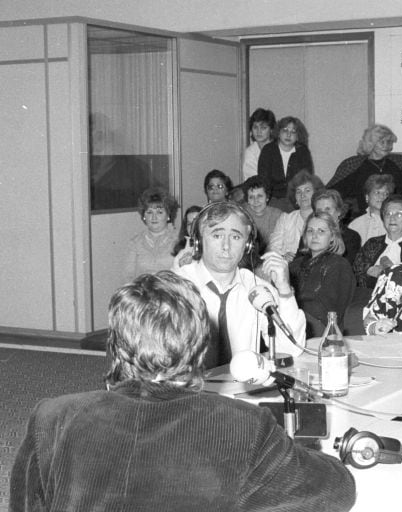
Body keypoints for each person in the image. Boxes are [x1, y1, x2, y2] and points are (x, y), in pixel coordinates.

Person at [10, 271, 354, 511]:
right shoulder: (244, 425)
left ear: (114, 346)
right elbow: (337, 491)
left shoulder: (52, 416)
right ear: (201, 347)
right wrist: (307, 446)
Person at [174, 201, 306, 369]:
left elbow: (291, 349)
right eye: (217, 235)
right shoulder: (177, 287)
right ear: (199, 241)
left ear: (248, 245)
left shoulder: (257, 288)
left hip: (243, 389)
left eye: (236, 237)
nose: (226, 246)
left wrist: (284, 290)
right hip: (190, 390)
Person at [327, 124, 402, 228]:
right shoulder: (354, 166)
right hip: (363, 221)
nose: (386, 146)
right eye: (382, 142)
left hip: (395, 220)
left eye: (389, 142)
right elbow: (335, 192)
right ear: (370, 144)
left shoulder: (399, 164)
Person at [290, 212, 356, 337]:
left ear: (332, 237)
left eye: (321, 231)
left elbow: (331, 310)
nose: (314, 236)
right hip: (291, 321)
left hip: (321, 329)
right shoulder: (294, 265)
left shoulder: (339, 265)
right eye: (310, 231)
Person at [352, 195, 402, 289]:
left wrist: (384, 272)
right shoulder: (372, 243)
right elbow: (356, 275)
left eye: (399, 214)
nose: (392, 218)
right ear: (383, 219)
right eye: (388, 214)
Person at [258, 116, 314, 212]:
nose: (288, 135)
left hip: (296, 200)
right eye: (285, 130)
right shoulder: (268, 150)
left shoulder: (303, 152)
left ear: (298, 136)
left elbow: (306, 180)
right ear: (278, 133)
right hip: (273, 200)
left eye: (293, 131)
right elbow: (263, 180)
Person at [124, 187, 179, 281]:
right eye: (149, 212)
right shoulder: (135, 243)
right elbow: (128, 277)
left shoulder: (179, 239)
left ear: (168, 215)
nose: (154, 217)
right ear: (144, 216)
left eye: (159, 212)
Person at [268, 170, 325, 262]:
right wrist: (282, 256)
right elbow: (273, 246)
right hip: (288, 267)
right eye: (298, 192)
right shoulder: (285, 219)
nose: (303, 195)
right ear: (294, 197)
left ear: (316, 194)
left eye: (307, 190)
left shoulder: (323, 219)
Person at [309, 188, 361, 265]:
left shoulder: (351, 237)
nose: (324, 214)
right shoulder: (309, 235)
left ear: (339, 211)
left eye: (327, 209)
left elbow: (345, 268)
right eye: (319, 211)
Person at [348, 173, 394, 244]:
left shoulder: (396, 223)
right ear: (367, 197)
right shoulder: (355, 225)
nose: (382, 196)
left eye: (386, 193)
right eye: (377, 192)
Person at [241, 175, 283, 246]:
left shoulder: (277, 215)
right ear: (247, 200)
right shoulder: (241, 215)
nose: (256, 201)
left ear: (267, 197)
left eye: (259, 196)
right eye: (251, 197)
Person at [241, 107, 276, 181]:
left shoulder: (279, 148)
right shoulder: (250, 152)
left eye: (263, 128)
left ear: (271, 130)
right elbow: (250, 179)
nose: (258, 131)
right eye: (255, 127)